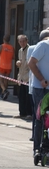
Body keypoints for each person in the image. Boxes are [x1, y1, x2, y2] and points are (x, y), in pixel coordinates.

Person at [28, 29, 49, 157]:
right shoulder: (43, 45)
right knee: (40, 118)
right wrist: (41, 79)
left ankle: (46, 147)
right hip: (41, 88)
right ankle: (37, 148)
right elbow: (31, 63)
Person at [0, 35, 14, 100]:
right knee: (6, 80)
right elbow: (13, 57)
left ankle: (4, 90)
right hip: (9, 65)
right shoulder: (12, 47)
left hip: (2, 65)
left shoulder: (1, 46)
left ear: (3, 39)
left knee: (1, 79)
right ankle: (3, 94)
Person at [15, 34, 32, 118]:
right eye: (20, 41)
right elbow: (20, 60)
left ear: (27, 41)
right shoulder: (20, 51)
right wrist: (18, 62)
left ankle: (29, 113)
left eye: (23, 41)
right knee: (21, 95)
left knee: (28, 96)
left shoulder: (30, 49)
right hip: (21, 76)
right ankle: (22, 113)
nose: (22, 43)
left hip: (28, 76)